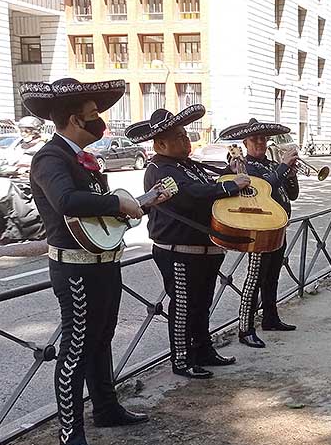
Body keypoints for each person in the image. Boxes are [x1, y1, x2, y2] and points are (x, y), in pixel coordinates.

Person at [22, 78, 148, 445]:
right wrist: (117, 204)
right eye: (93, 114)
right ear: (76, 119)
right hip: (75, 269)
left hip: (104, 263)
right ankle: (70, 435)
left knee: (102, 339)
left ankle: (106, 409)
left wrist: (126, 207)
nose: (99, 120)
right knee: (76, 348)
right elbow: (67, 201)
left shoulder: (83, 158)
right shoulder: (50, 157)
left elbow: (95, 215)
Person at [127, 105, 244, 380]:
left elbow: (206, 185)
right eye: (179, 137)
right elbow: (190, 194)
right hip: (179, 251)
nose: (186, 140)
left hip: (205, 248)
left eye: (185, 134)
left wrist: (229, 173)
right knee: (183, 307)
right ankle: (181, 359)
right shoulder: (158, 169)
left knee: (202, 305)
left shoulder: (186, 165)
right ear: (160, 144)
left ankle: (203, 351)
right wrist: (229, 186)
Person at [219, 119, 300, 348]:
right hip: (259, 230)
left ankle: (270, 318)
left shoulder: (273, 165)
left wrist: (290, 174)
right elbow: (262, 189)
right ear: (245, 143)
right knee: (254, 278)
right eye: (254, 139)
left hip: (278, 227)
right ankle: (245, 329)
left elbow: (292, 194)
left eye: (263, 139)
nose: (259, 143)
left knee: (272, 276)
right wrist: (283, 168)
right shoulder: (246, 167)